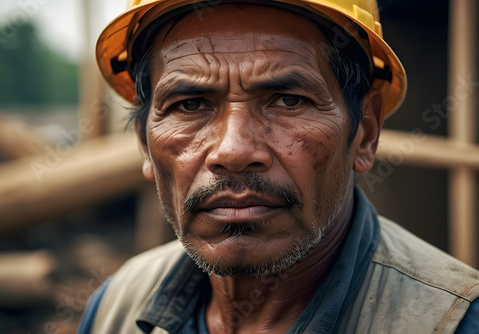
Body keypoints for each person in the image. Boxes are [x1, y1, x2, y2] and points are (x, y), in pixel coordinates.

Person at [79, 0, 479, 333]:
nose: (233, 151)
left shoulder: (452, 321)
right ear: (145, 146)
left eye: (288, 100)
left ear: (366, 132)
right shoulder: (115, 309)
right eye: (190, 104)